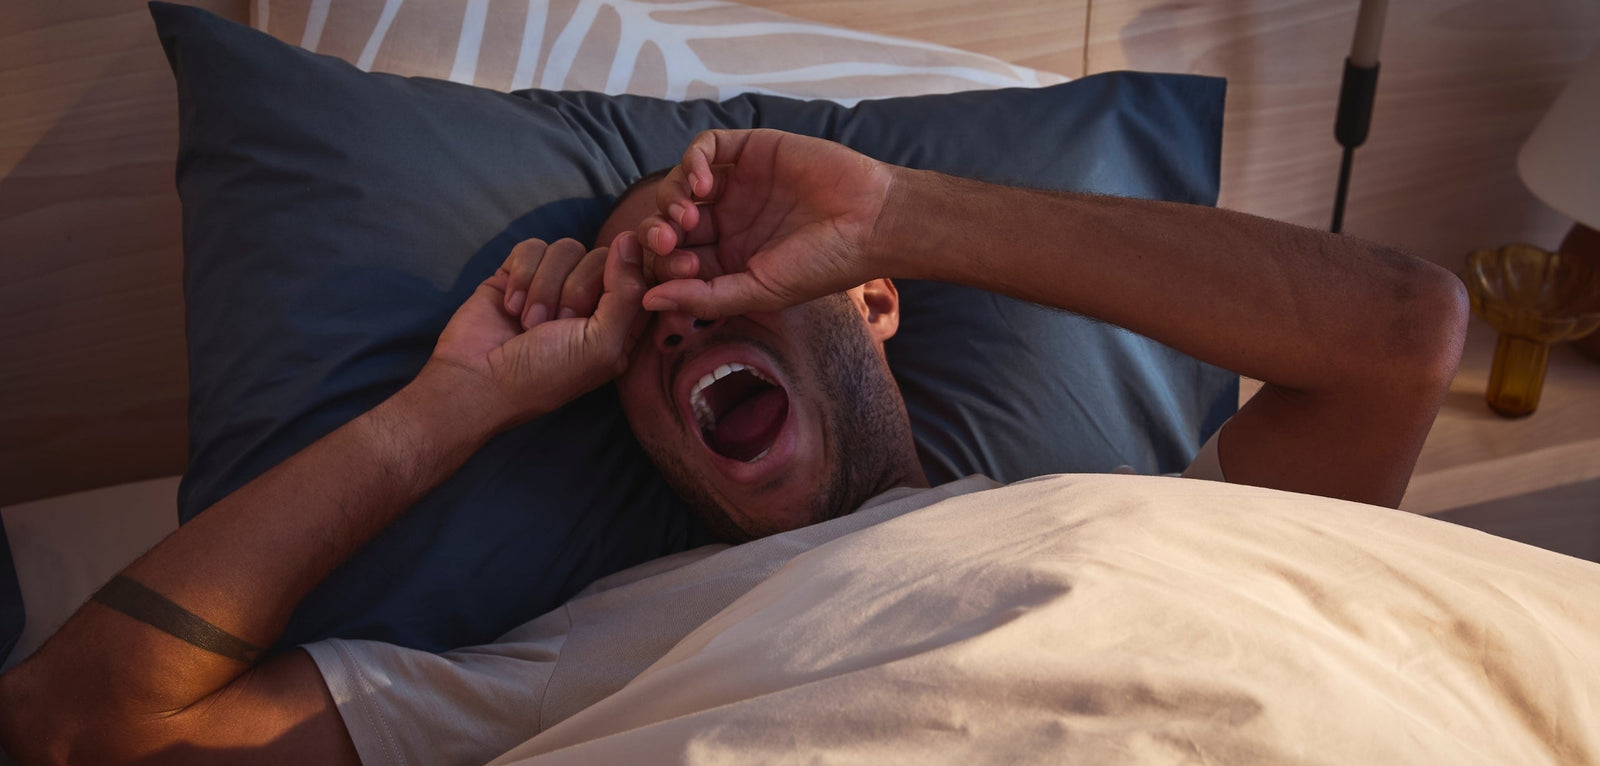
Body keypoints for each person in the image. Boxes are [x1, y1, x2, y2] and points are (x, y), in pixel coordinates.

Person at [0, 129, 1467, 764]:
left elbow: (1408, 331)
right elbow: (82, 731)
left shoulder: (1130, 522)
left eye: (723, 265)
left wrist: (906, 212)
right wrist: (456, 403)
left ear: (875, 302)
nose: (682, 310)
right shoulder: (597, 652)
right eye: (639, 308)